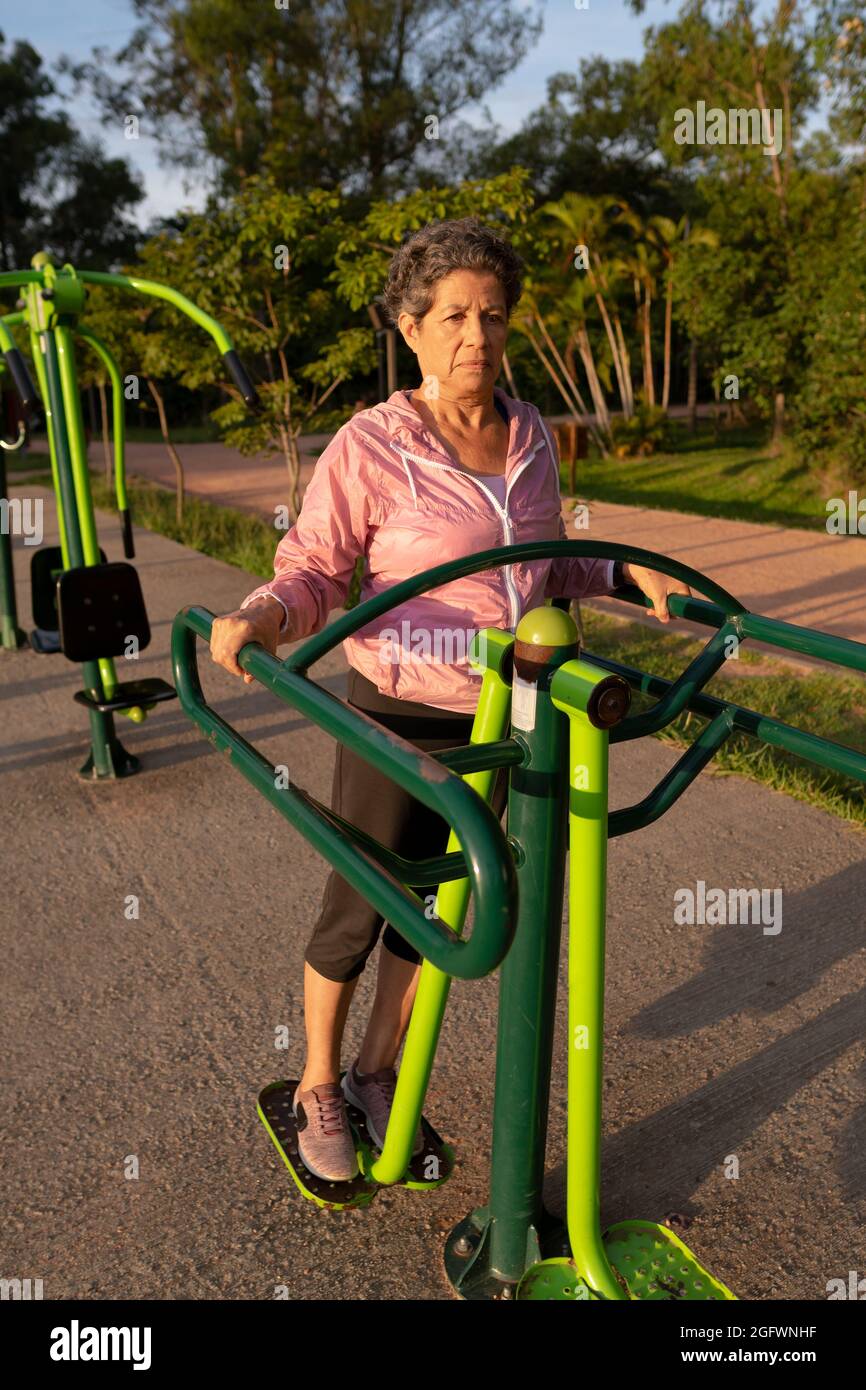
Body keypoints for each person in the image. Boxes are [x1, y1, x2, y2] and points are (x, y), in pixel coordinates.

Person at [209, 216, 690, 1181]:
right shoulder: (373, 444)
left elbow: (549, 559)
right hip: (400, 709)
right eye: (457, 316)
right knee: (363, 902)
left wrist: (628, 576)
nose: (479, 336)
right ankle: (316, 1083)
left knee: (440, 908)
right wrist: (264, 614)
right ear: (412, 326)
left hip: (509, 716)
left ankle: (382, 1072)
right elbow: (315, 567)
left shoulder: (528, 437)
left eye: (494, 316)